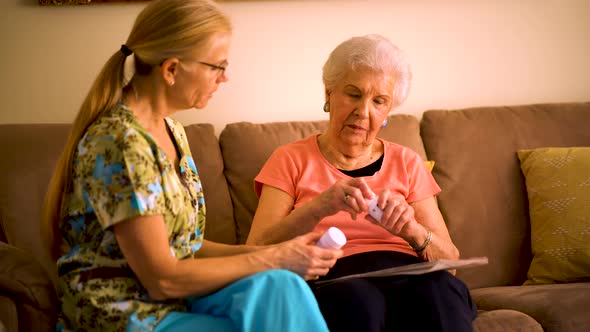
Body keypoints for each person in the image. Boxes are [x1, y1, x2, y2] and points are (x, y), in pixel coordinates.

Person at [41, 1, 341, 331]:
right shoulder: (121, 143)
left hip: (174, 300)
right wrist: (272, 258)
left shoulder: (174, 132)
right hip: (124, 312)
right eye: (217, 66)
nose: (225, 78)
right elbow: (162, 279)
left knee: (280, 286)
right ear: (171, 70)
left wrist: (277, 254)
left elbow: (186, 248)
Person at [247, 34, 477, 332]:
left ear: (387, 111)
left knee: (441, 293)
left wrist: (411, 230)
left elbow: (451, 263)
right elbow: (256, 248)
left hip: (411, 273)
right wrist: (320, 206)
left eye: (378, 101)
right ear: (329, 94)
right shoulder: (289, 159)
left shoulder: (407, 162)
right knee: (357, 302)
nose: (363, 111)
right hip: (335, 275)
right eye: (353, 94)